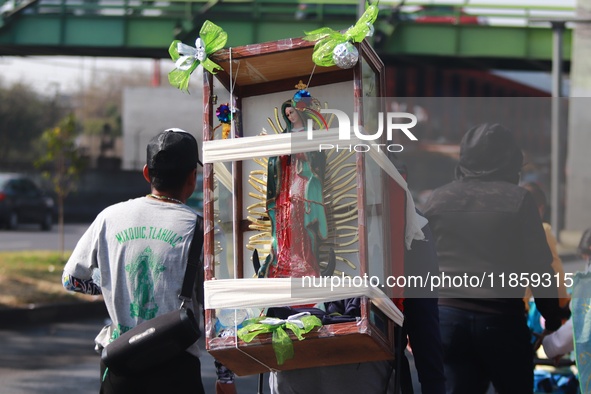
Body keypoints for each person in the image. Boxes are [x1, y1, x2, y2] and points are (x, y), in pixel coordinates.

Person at [422, 123, 564, 394]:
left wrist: (417, 324)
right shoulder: (520, 200)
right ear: (511, 161)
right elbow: (539, 268)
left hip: (446, 320)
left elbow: (417, 265)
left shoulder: (437, 199)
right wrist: (553, 320)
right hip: (501, 321)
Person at [62, 128, 206, 394]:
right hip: (177, 371)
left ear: (146, 173)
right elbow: (216, 309)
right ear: (192, 177)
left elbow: (71, 279)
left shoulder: (109, 217)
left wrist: (107, 284)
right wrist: (226, 377)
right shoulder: (199, 229)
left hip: (120, 364)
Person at [258, 87, 330, 279]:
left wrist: (304, 154)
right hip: (286, 182)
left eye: (292, 112)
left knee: (300, 217)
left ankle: (304, 259)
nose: (290, 116)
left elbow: (318, 158)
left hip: (304, 179)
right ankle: (284, 257)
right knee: (286, 218)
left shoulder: (311, 132)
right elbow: (275, 161)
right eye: (287, 114)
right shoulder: (284, 135)